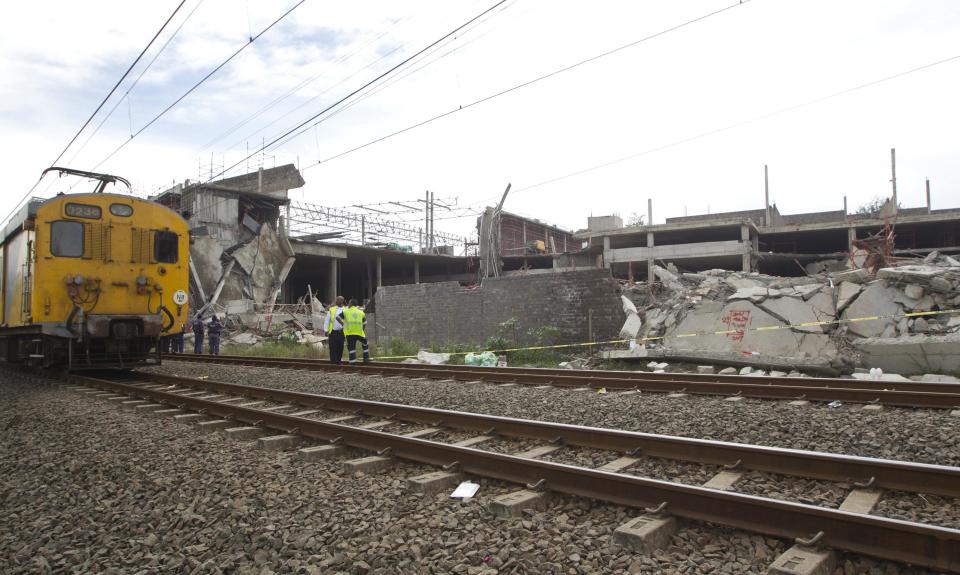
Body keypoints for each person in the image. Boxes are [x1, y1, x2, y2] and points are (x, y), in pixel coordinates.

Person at [343, 298, 370, 364]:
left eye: (349, 303)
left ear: (351, 304)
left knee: (352, 347)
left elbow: (338, 318)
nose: (348, 304)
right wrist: (362, 329)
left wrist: (343, 325)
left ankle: (352, 362)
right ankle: (366, 359)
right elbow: (365, 323)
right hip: (359, 332)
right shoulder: (361, 312)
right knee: (365, 343)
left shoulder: (346, 311)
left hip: (350, 333)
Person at [326, 296, 346, 364]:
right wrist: (326, 330)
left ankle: (338, 360)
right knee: (333, 347)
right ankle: (334, 361)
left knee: (340, 347)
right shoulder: (332, 309)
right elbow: (327, 320)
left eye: (338, 300)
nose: (336, 301)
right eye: (336, 300)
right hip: (333, 331)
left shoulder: (345, 310)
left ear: (342, 301)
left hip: (342, 332)